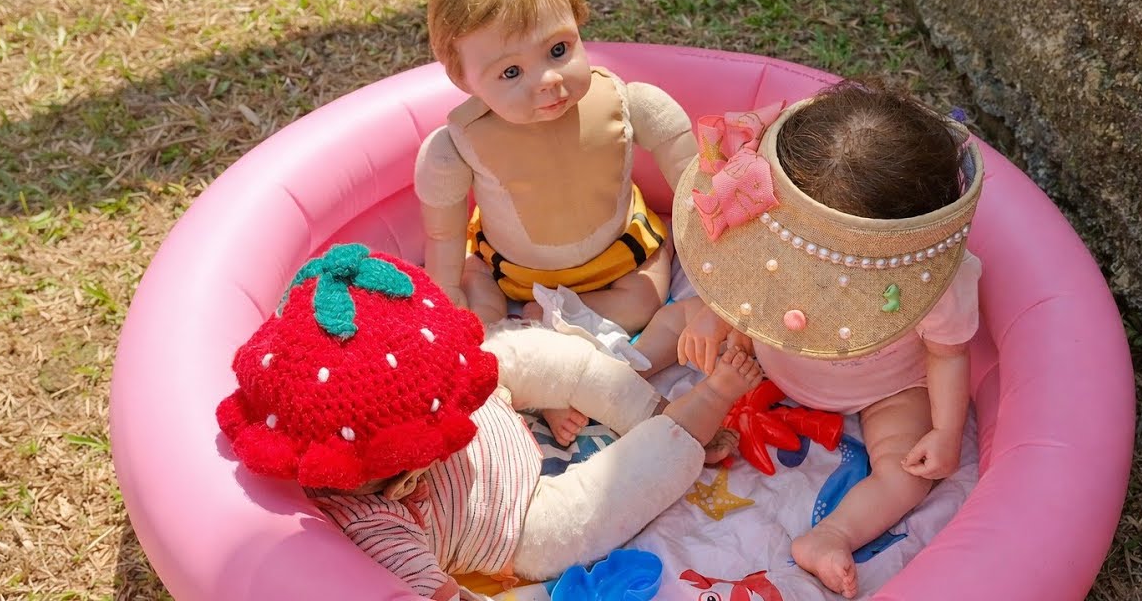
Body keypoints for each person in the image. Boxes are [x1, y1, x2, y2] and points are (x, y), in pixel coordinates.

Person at [216, 244, 761, 601]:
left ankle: (649, 410)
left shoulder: (426, 386)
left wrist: (503, 395)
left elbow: (483, 364)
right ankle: (693, 418)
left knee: (533, 353)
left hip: (489, 401)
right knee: (599, 507)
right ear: (404, 473)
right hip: (515, 523)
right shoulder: (376, 530)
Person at [666, 82, 985, 598]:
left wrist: (947, 434)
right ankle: (638, 385)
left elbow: (948, 355)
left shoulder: (934, 282)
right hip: (768, 352)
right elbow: (741, 273)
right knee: (689, 348)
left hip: (886, 390)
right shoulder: (777, 229)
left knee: (909, 472)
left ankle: (830, 535)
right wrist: (716, 316)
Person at [414, 0, 698, 446]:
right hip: (510, 271)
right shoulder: (458, 146)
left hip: (617, 257)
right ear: (463, 78)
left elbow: (695, 183)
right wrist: (447, 295)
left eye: (559, 50)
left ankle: (553, 350)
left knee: (647, 296)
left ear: (580, 22)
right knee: (476, 317)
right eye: (510, 72)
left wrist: (711, 222)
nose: (547, 81)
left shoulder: (620, 103)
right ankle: (538, 373)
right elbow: (442, 237)